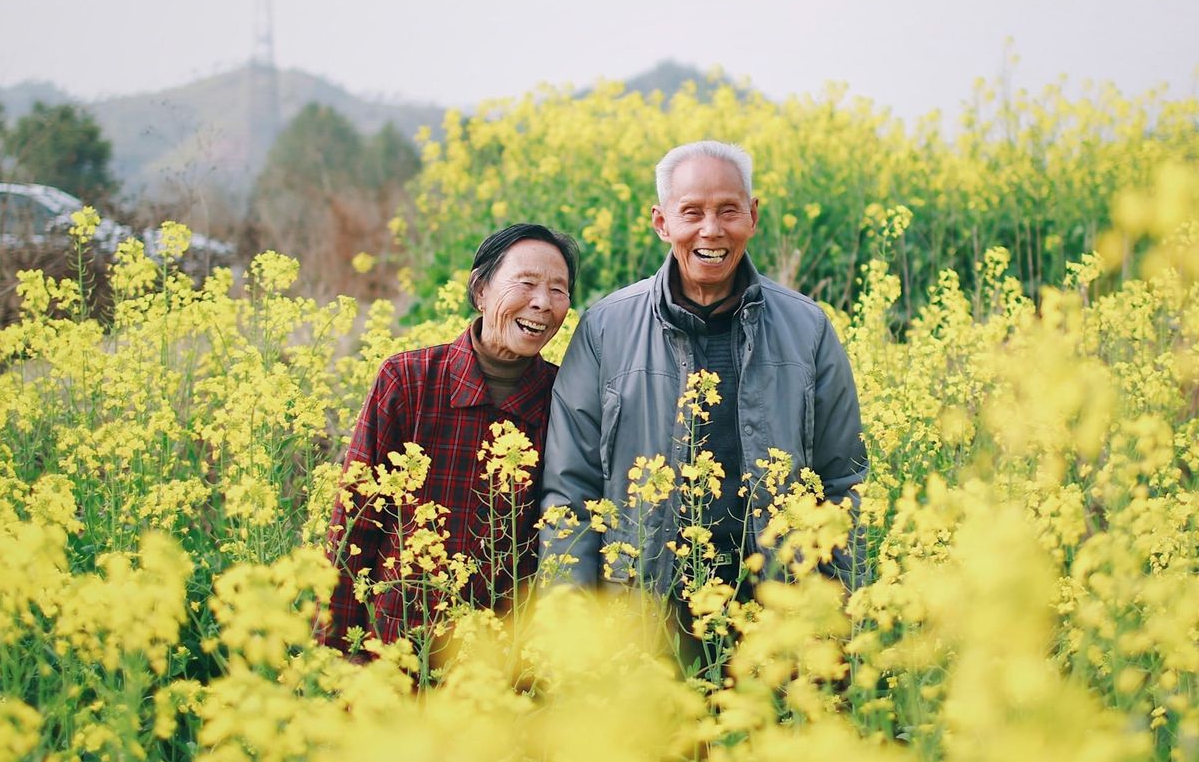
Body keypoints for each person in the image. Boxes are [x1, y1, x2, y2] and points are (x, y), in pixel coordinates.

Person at [538, 140, 868, 598]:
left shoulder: (807, 327)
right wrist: (569, 617)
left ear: (753, 216)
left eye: (729, 211)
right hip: (642, 612)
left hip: (778, 612)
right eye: (691, 212)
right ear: (662, 222)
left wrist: (836, 613)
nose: (711, 231)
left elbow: (844, 481)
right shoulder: (605, 328)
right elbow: (571, 489)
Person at [320, 223, 579, 653]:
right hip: (396, 651)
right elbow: (353, 525)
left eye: (558, 290)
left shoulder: (566, 397)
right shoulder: (408, 381)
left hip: (500, 668)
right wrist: (330, 657)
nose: (542, 303)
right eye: (527, 283)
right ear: (480, 290)